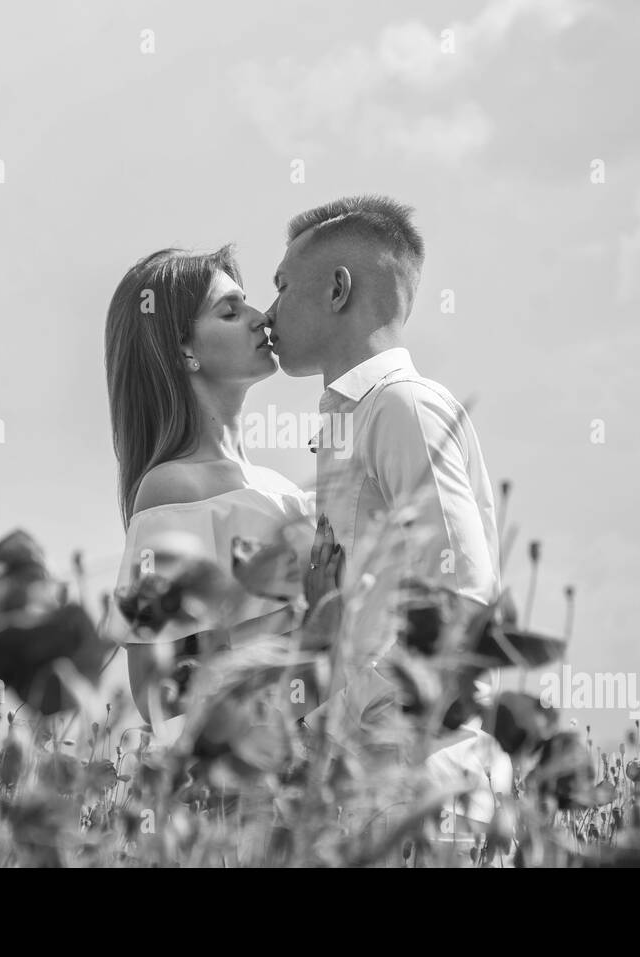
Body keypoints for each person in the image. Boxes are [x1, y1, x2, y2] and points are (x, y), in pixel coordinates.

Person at [264, 195, 510, 830]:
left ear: (338, 289)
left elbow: (463, 592)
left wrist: (346, 714)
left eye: (283, 287)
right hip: (375, 778)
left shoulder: (400, 407)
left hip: (424, 778)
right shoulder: (352, 418)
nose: (268, 313)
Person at [100, 245, 338, 735]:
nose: (263, 317)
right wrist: (314, 632)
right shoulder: (173, 489)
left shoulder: (281, 488)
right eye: (230, 312)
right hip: (250, 786)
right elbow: (157, 693)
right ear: (184, 349)